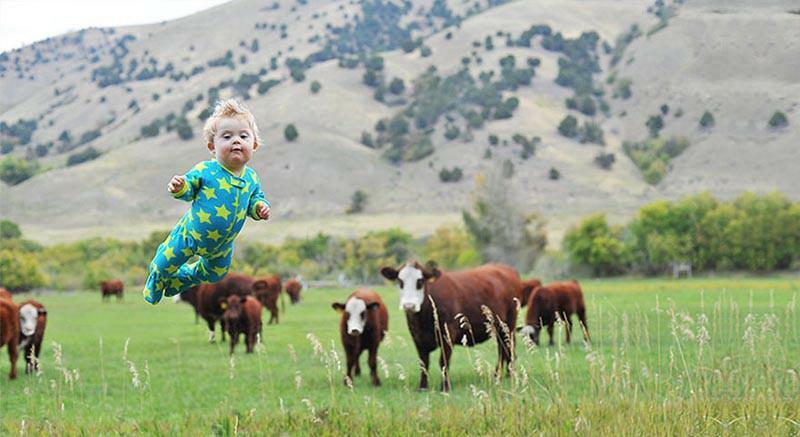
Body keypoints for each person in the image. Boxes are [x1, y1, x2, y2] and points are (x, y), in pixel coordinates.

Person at [143, 99, 271, 304]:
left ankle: (180, 280)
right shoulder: (206, 170)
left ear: (253, 145)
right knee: (164, 263)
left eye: (243, 136)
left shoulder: (252, 179)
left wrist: (260, 208)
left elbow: (255, 200)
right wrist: (180, 187)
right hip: (190, 235)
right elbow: (189, 188)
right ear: (212, 146)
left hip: (222, 246)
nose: (236, 141)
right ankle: (157, 278)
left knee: (215, 275)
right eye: (227, 136)